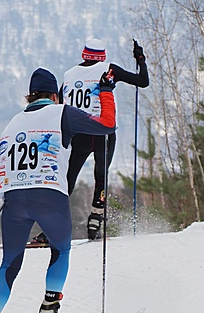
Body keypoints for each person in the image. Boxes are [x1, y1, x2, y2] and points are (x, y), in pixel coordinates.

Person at [0, 67, 117, 313]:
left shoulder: (12, 122)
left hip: (14, 200)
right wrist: (107, 92)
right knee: (60, 249)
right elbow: (106, 125)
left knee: (10, 263)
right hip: (50, 197)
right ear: (54, 95)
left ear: (30, 96)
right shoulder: (62, 112)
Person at [42, 37, 149, 242]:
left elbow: (59, 103)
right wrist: (140, 59)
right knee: (101, 176)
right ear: (102, 57)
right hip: (103, 133)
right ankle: (95, 220)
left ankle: (51, 225)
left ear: (84, 54)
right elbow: (142, 82)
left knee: (68, 178)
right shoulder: (109, 69)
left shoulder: (69, 75)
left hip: (79, 133)